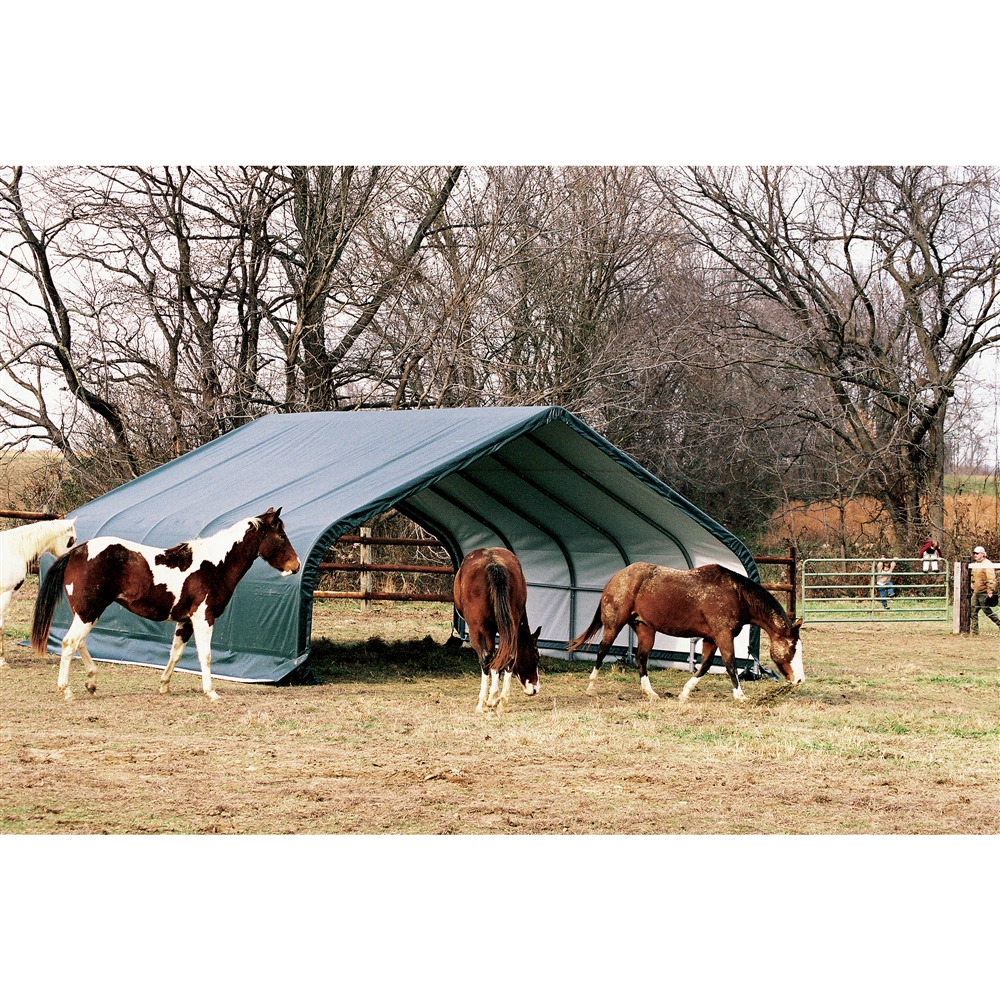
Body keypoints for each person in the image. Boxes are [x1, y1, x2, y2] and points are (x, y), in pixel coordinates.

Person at [969, 546, 999, 636]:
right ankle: (974, 631)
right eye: (974, 553)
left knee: (987, 611)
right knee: (973, 611)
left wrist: (990, 591)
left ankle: (999, 623)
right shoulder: (975, 564)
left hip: (984, 592)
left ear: (982, 554)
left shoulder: (987, 564)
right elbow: (973, 575)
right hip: (976, 591)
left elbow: (991, 578)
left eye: (977, 553)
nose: (975, 555)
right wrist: (972, 582)